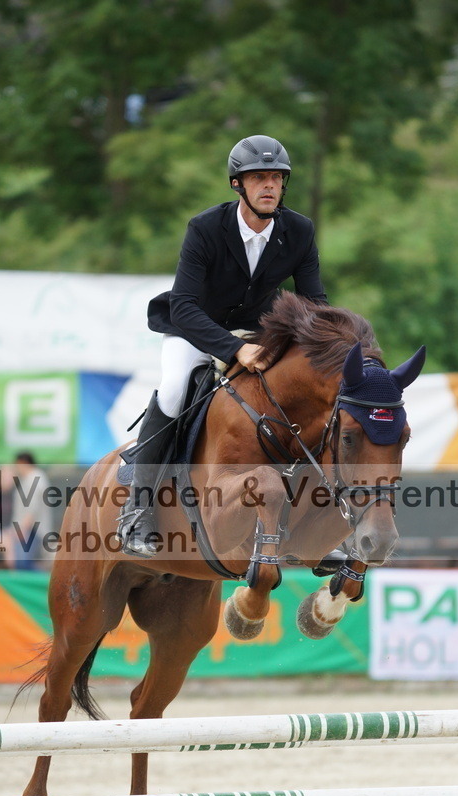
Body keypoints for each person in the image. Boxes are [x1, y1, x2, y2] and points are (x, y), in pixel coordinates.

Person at [118, 133, 328, 556]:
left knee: (302, 393)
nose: (269, 186)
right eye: (259, 178)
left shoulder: (299, 231)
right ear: (238, 184)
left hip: (259, 332)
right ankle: (138, 510)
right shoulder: (206, 228)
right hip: (195, 329)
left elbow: (314, 302)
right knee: (176, 388)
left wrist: (322, 350)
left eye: (276, 178)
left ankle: (319, 518)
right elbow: (183, 305)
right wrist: (234, 350)